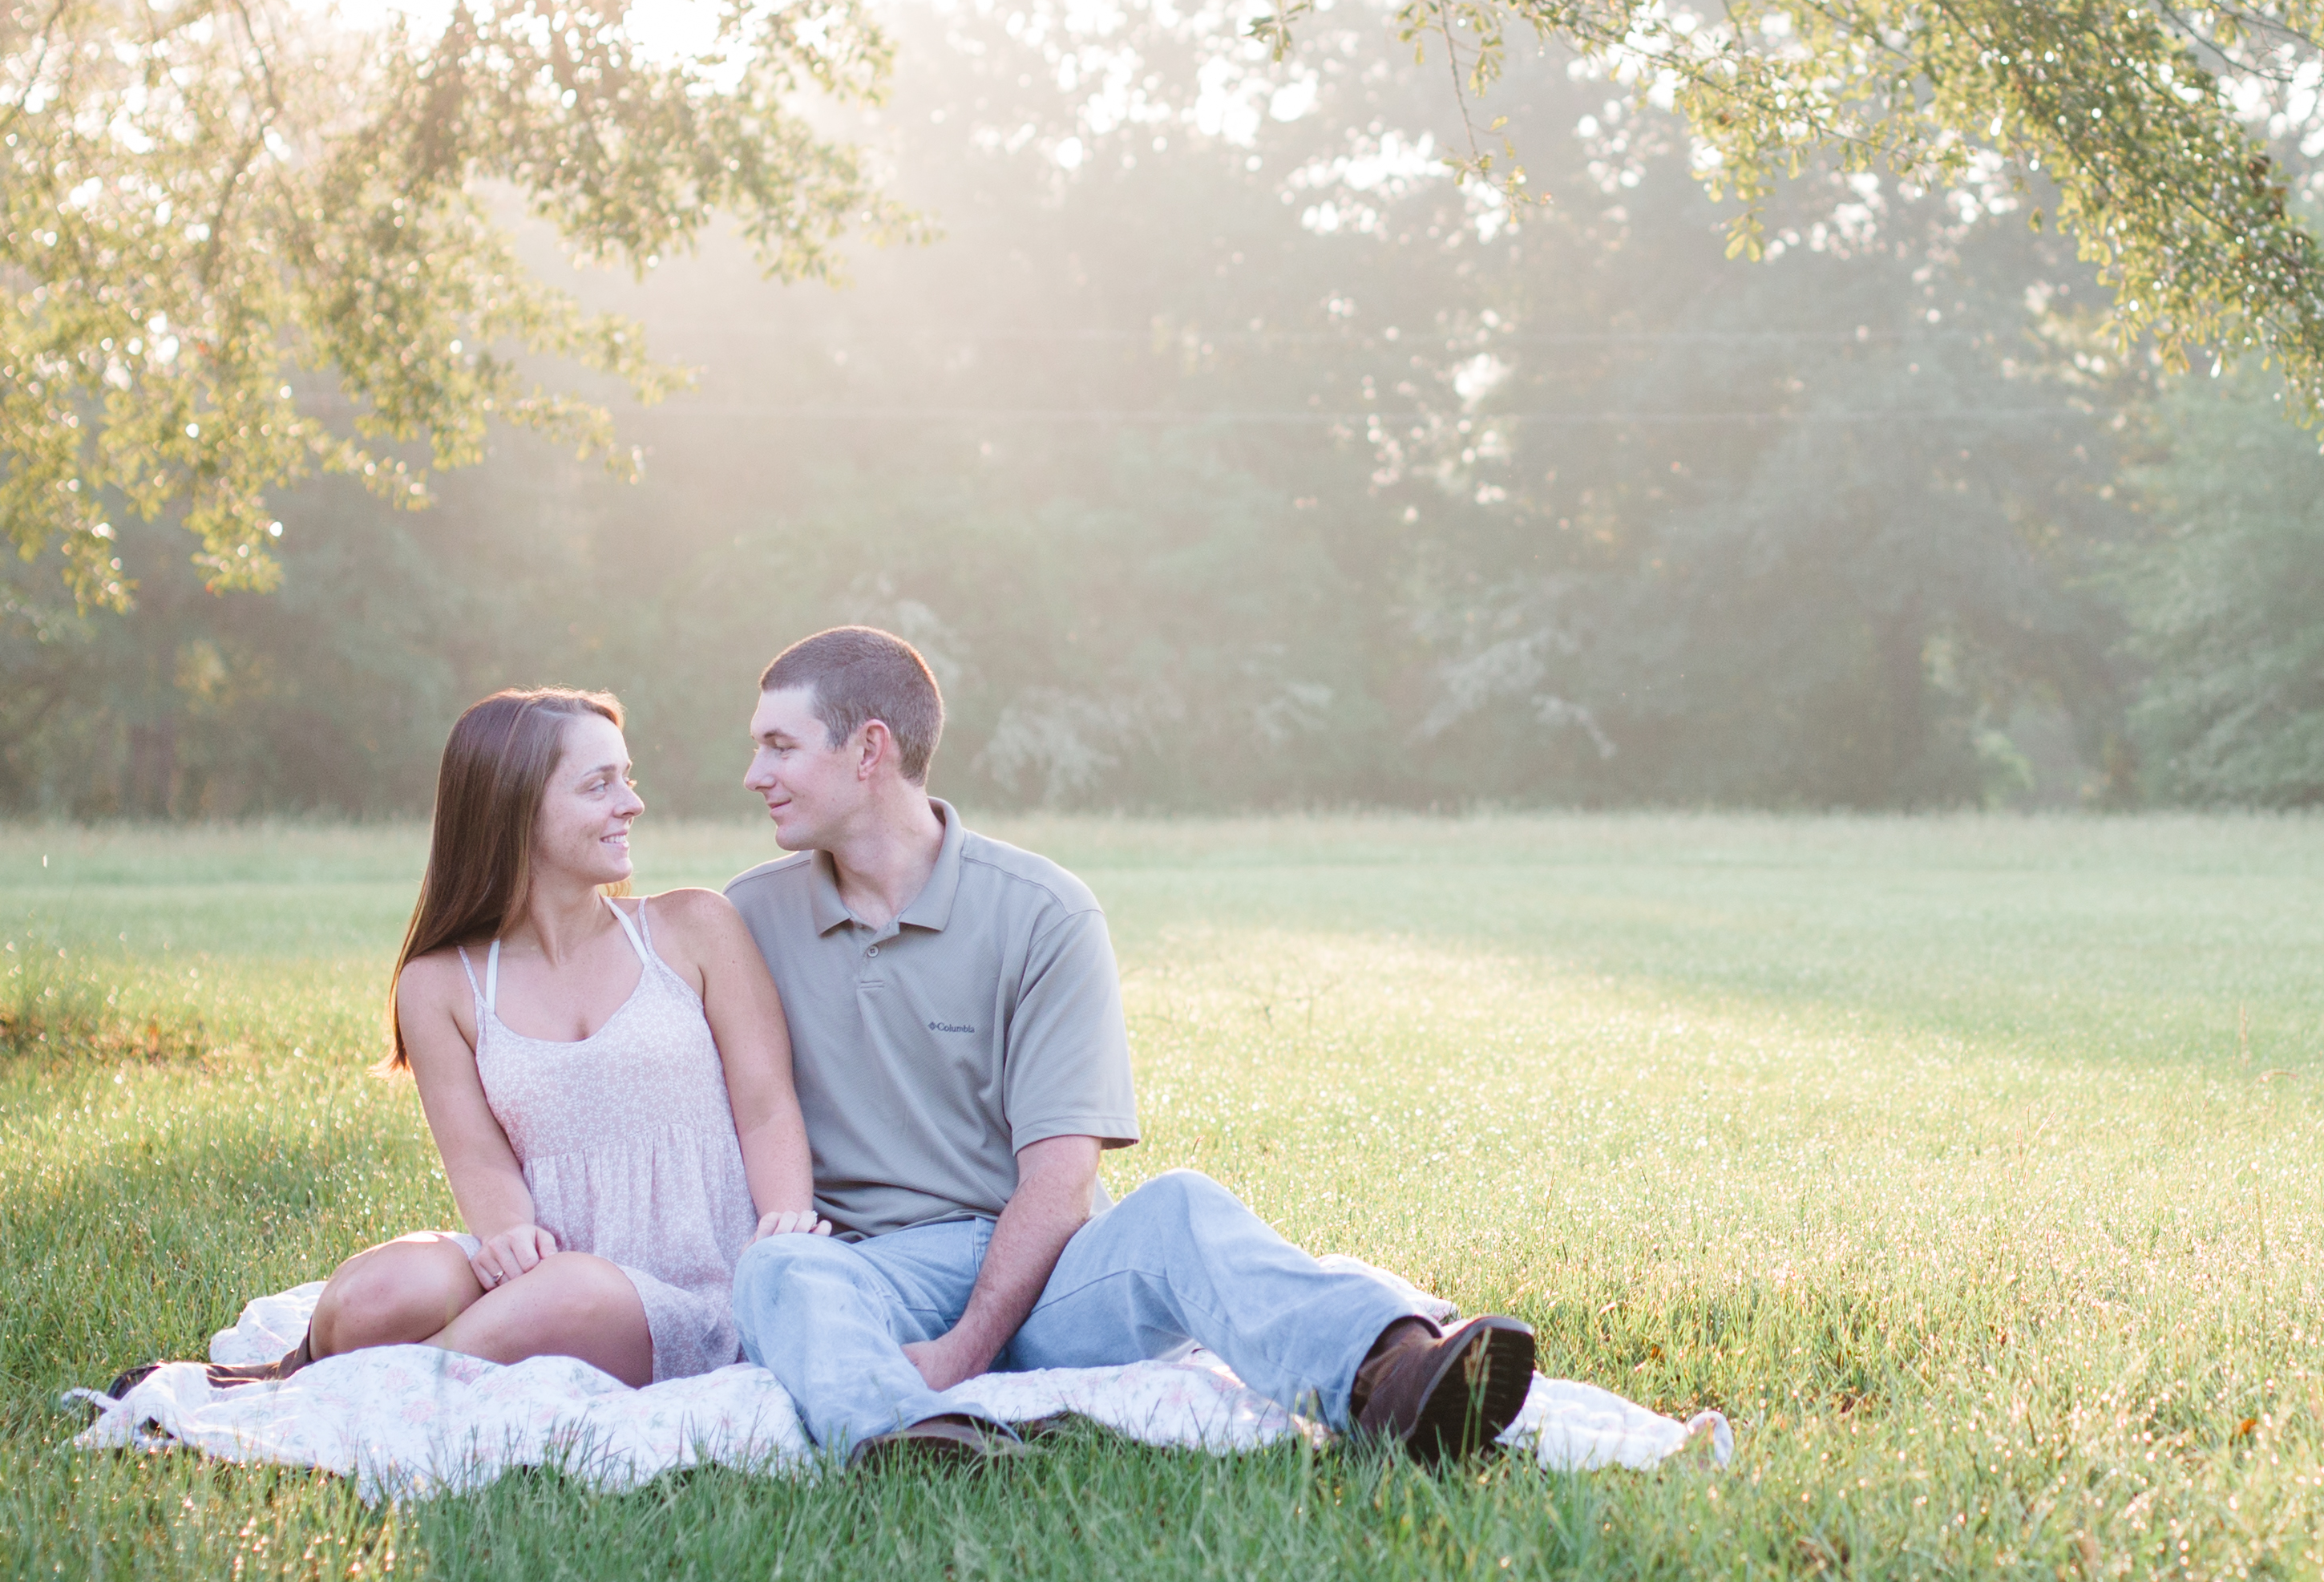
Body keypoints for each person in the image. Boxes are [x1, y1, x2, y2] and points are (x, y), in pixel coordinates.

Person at [725, 625, 1537, 1465]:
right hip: (871, 1279)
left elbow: (1060, 1175)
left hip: (1045, 1273)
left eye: (778, 746)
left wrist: (965, 1350)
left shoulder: (1041, 910)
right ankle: (911, 1440)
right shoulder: (744, 919)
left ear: (868, 750)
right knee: (778, 1267)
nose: (754, 775)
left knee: (1179, 1207)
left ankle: (1395, 1376)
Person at [268, 686, 831, 1386]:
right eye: (600, 785)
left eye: (627, 778)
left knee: (568, 1292)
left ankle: (346, 1389)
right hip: (538, 1272)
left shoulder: (694, 928)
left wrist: (779, 1238)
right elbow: (478, 1157)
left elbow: (767, 1103)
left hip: (693, 1293)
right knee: (373, 1296)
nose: (631, 802)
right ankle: (320, 1364)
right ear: (513, 807)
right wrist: (504, 1232)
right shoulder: (440, 983)